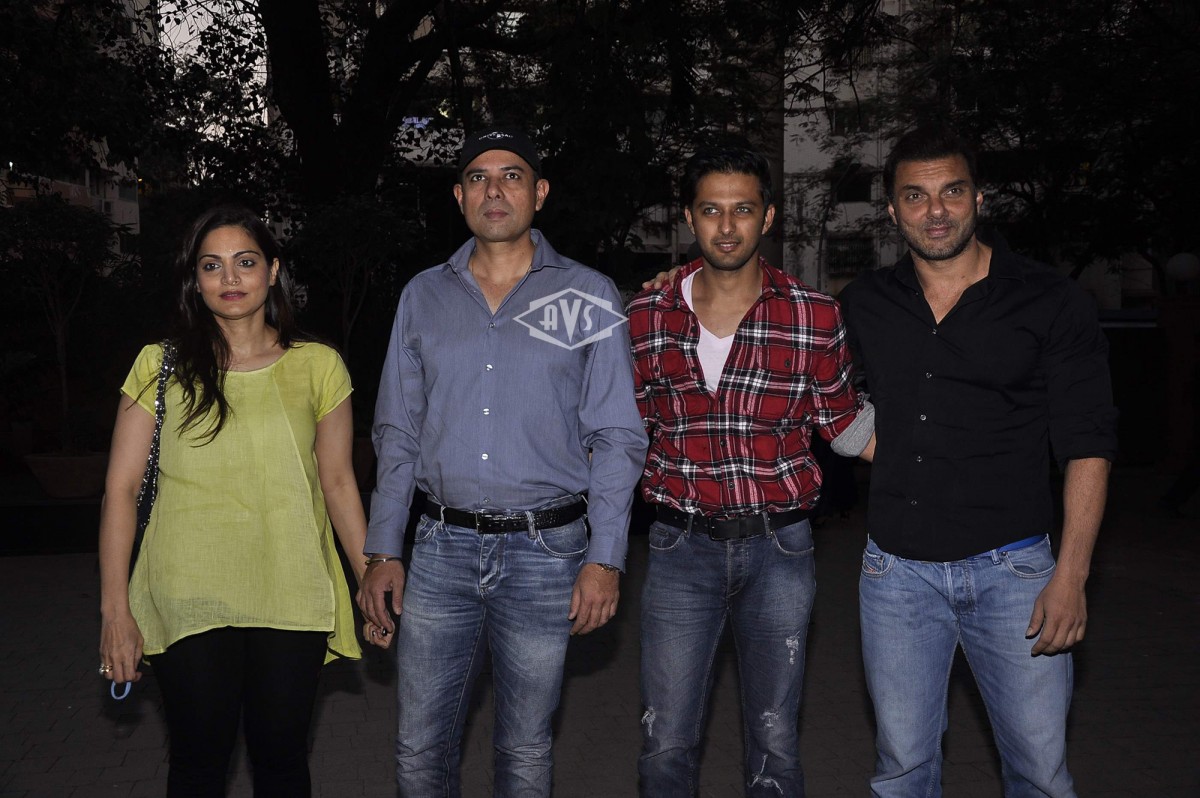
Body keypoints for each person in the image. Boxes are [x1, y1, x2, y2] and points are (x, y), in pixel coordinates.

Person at [356, 126, 648, 797]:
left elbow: (617, 435)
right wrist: (383, 548)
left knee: (524, 750)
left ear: (539, 193)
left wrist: (605, 558)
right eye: (478, 177)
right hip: (439, 550)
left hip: (548, 554)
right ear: (459, 196)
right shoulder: (423, 296)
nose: (494, 190)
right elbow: (397, 431)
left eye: (511, 175)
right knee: (419, 749)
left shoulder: (586, 295)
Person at [838, 126, 1118, 796]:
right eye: (916, 196)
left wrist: (1072, 574)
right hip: (896, 576)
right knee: (902, 772)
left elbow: (1087, 443)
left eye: (952, 192)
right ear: (893, 210)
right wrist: (686, 281)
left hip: (1016, 574)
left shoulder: (1050, 300)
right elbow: (798, 369)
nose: (935, 211)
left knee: (1040, 776)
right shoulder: (864, 302)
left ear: (979, 198)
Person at [97, 205, 371, 795]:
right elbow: (120, 490)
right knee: (198, 764)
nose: (229, 278)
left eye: (245, 262)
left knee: (282, 762)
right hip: (187, 590)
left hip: (292, 589)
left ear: (272, 270)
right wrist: (116, 611)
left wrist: (367, 577)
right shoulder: (159, 365)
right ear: (194, 280)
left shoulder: (318, 365)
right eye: (212, 265)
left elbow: (338, 482)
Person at [628, 143, 875, 797]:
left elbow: (846, 426)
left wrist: (955, 452)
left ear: (767, 217)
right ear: (689, 217)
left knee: (776, 744)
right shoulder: (646, 318)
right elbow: (619, 433)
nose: (727, 226)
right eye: (711, 210)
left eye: (743, 209)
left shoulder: (813, 314)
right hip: (679, 548)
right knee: (664, 743)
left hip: (780, 551)